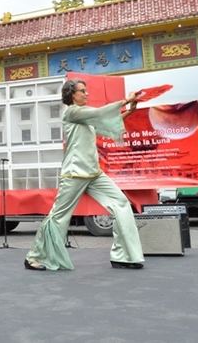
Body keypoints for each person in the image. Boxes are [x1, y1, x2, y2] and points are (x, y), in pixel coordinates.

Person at [24, 79, 145, 271]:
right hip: (74, 173)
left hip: (94, 173)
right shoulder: (72, 112)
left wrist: (130, 109)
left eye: (86, 91)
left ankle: (125, 256)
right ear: (72, 95)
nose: (86, 94)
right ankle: (34, 256)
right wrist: (125, 100)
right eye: (82, 91)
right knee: (59, 216)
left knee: (121, 203)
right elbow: (99, 113)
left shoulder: (84, 117)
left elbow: (104, 123)